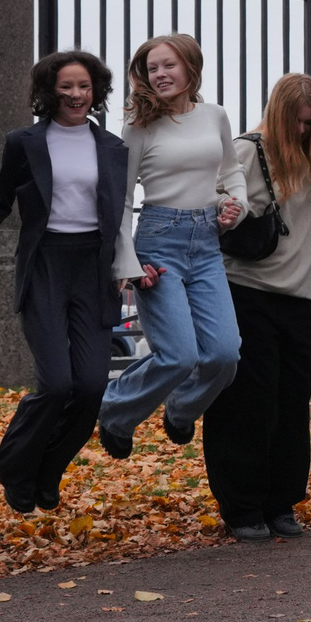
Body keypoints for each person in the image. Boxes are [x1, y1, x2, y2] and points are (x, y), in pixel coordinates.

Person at [206, 74, 311, 541]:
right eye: (295, 122)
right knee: (246, 402)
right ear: (278, 113)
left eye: (309, 123)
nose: (301, 131)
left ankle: (281, 502)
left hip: (298, 298)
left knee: (290, 402)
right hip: (247, 290)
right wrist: (230, 208)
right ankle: (242, 507)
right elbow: (216, 201)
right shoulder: (245, 151)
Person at [0, 50, 127, 515]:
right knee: (57, 383)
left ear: (95, 91)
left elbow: (119, 215)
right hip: (45, 262)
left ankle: (49, 469)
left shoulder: (112, 147)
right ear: (49, 91)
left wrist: (131, 266)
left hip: (94, 267)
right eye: (66, 86)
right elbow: (0, 199)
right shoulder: (25, 141)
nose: (76, 95)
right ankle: (16, 466)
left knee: (89, 388)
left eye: (84, 86)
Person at [98, 33, 247, 459]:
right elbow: (123, 201)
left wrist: (237, 203)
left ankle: (181, 410)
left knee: (224, 354)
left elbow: (231, 171)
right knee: (178, 356)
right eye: (152, 68)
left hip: (206, 241)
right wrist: (125, 263)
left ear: (191, 68)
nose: (160, 74)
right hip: (158, 243)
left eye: (169, 65)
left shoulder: (214, 115)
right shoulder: (139, 126)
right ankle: (115, 410)